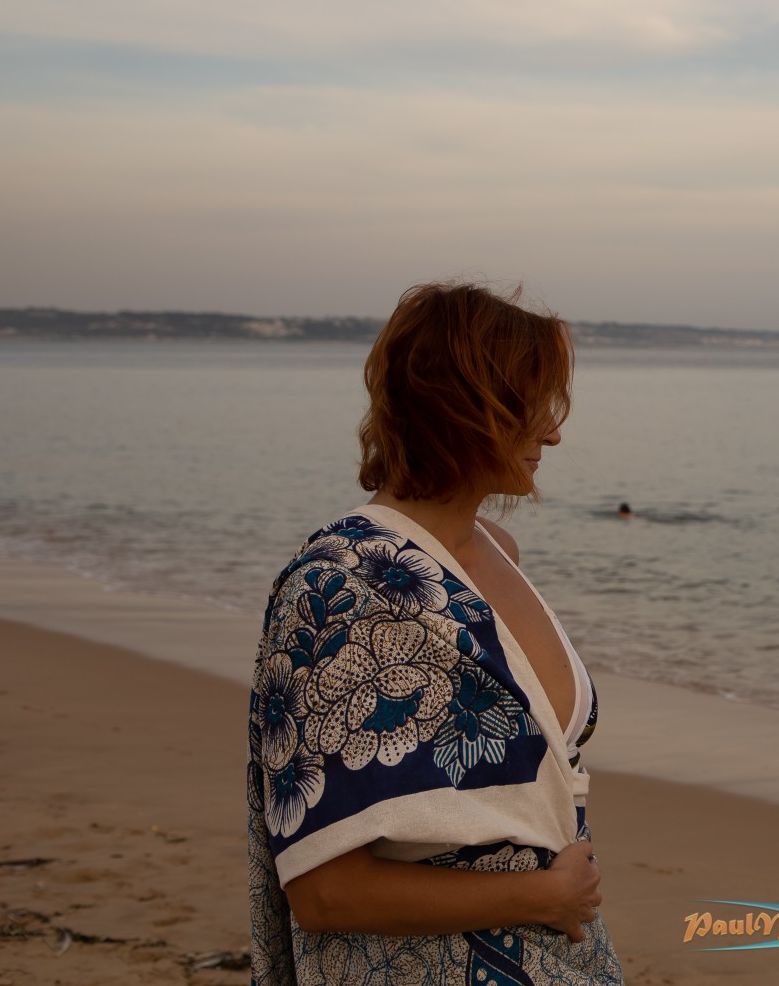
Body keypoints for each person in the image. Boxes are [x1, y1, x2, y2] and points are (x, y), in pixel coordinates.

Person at [248, 282, 622, 985]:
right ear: (467, 409)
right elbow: (325, 891)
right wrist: (541, 896)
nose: (553, 433)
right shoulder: (337, 588)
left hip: (563, 959)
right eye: (533, 406)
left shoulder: (498, 551)